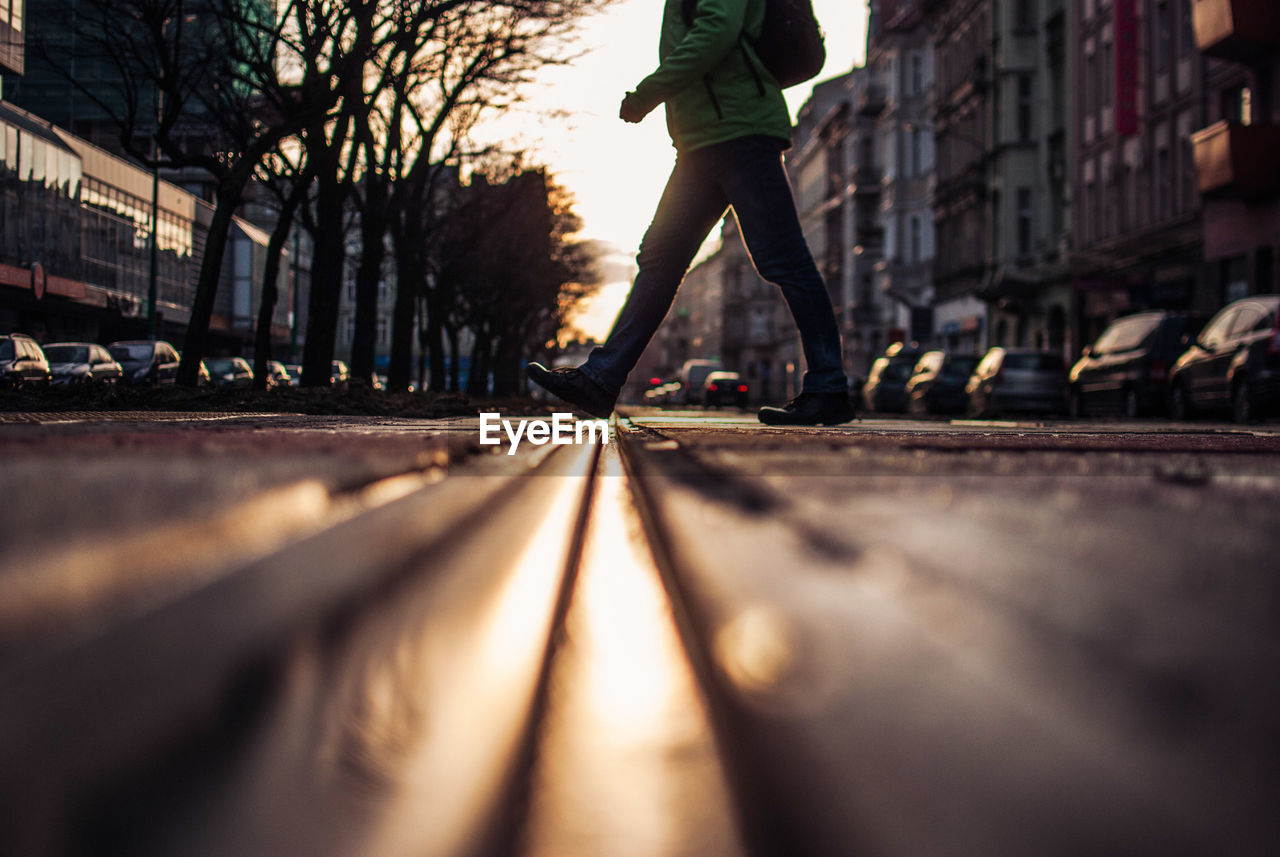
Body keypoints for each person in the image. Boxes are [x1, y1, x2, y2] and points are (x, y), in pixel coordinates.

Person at [527, 0, 854, 426]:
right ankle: (600, 378)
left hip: (740, 130)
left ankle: (829, 387)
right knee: (661, 258)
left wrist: (648, 92)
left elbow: (716, 33)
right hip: (702, 141)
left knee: (783, 258)